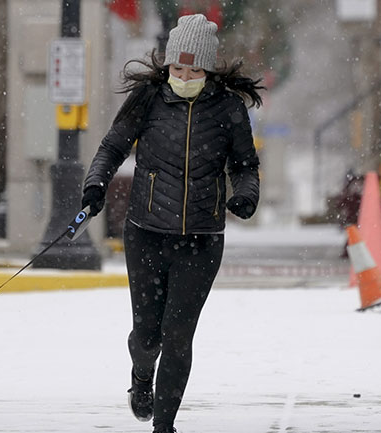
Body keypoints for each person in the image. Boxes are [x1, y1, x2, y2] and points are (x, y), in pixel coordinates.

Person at [81, 13, 263, 433]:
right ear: (167, 66)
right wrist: (96, 185)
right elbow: (112, 147)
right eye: (178, 68)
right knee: (147, 337)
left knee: (178, 337)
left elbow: (245, 166)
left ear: (209, 68)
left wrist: (245, 195)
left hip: (201, 240)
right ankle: (141, 375)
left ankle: (164, 426)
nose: (184, 76)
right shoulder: (148, 99)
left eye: (194, 69)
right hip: (145, 233)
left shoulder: (228, 109)